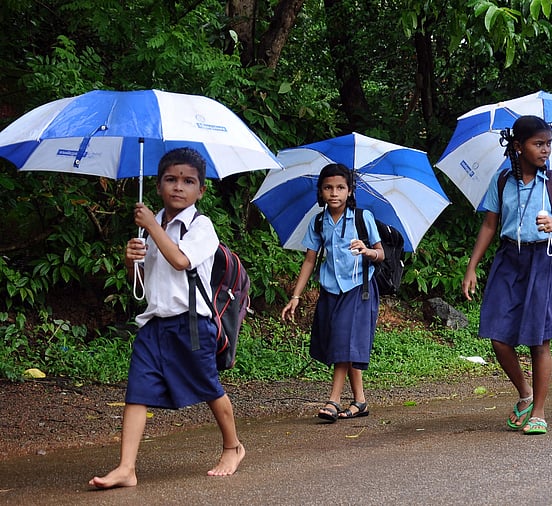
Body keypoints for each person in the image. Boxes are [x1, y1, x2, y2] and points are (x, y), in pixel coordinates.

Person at [90, 148, 243, 489]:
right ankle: (126, 467)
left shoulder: (201, 226)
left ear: (200, 191)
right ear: (158, 186)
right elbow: (140, 284)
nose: (178, 187)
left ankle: (233, 446)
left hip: (191, 324)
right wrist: (131, 260)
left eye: (188, 181)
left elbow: (179, 260)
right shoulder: (150, 226)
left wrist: (150, 227)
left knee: (208, 386)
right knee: (137, 392)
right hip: (153, 324)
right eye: (171, 180)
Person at [462, 115, 552, 435]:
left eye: (548, 144)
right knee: (498, 335)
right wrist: (472, 267)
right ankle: (525, 394)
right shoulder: (502, 181)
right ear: (518, 146)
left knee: (539, 340)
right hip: (509, 260)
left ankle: (539, 411)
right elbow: (489, 224)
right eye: (538, 144)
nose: (545, 150)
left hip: (545, 259)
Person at [281, 163, 383, 423]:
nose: (334, 193)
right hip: (331, 289)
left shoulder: (363, 218)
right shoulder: (318, 221)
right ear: (321, 191)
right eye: (328, 187)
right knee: (343, 343)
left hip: (358, 289)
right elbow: (309, 260)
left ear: (350, 191)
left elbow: (380, 254)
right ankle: (359, 401)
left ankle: (333, 400)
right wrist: (295, 296)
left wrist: (367, 250)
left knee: (341, 341)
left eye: (340, 187)